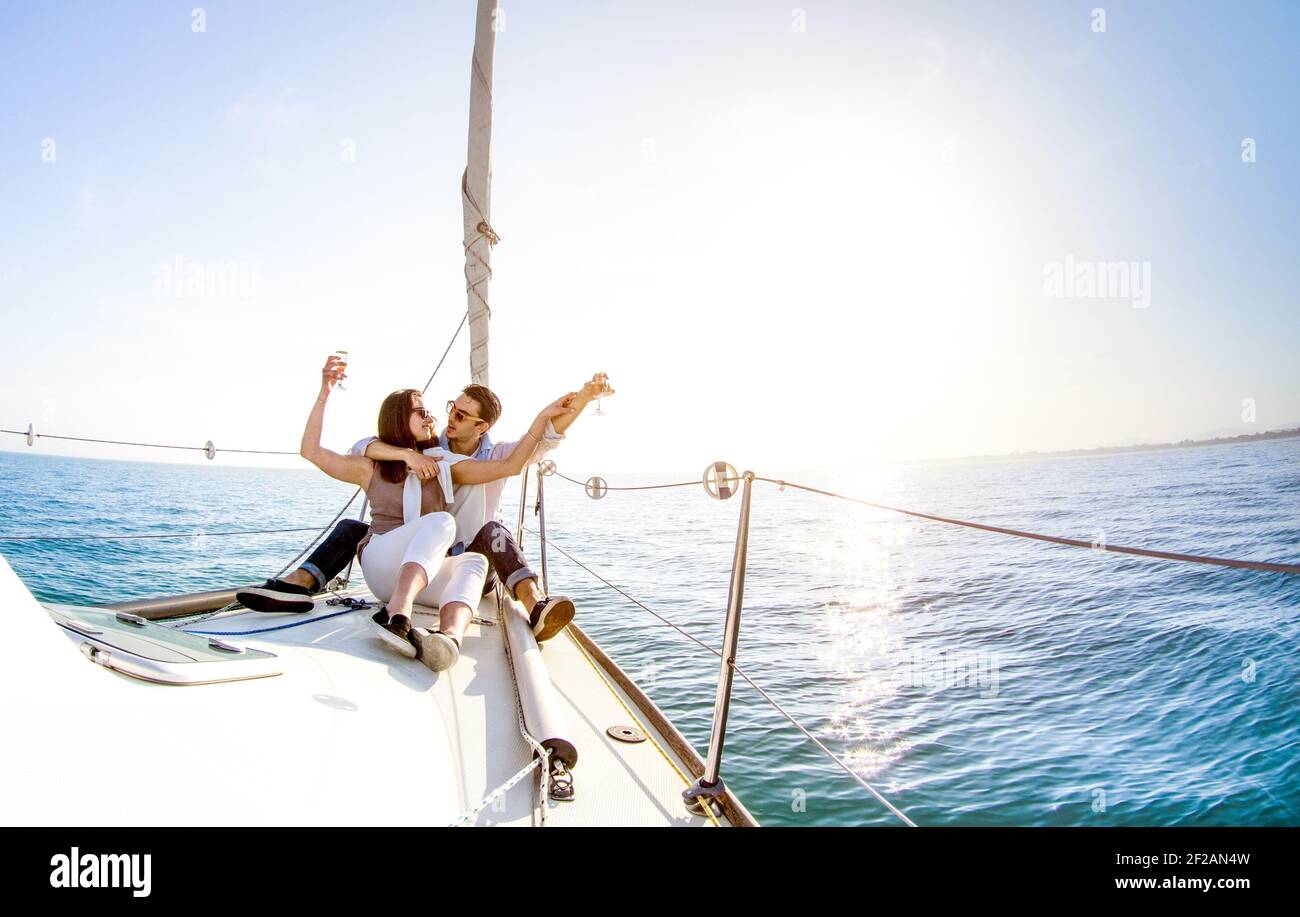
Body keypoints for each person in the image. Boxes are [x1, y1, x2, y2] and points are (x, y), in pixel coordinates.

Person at [238, 366, 612, 642]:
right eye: (440, 409)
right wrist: (327, 396)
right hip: (400, 563)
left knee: (478, 548)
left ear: (480, 427)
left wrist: (558, 409)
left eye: (460, 415)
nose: (443, 416)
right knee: (361, 527)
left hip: (444, 563)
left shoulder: (453, 464)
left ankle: (486, 624)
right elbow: (327, 449)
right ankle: (299, 586)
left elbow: (518, 460)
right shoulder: (402, 458)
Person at [293, 355, 573, 671]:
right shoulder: (369, 464)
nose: (434, 419)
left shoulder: (444, 464)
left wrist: (541, 419)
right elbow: (312, 451)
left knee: (475, 561)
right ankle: (395, 613)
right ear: (400, 419)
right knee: (440, 522)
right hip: (383, 569)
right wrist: (324, 393)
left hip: (423, 576)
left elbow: (509, 466)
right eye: (423, 412)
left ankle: (448, 640)